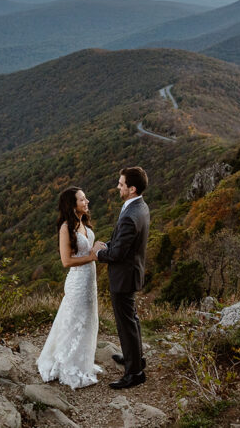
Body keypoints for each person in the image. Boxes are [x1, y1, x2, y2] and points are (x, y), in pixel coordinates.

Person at [37, 186, 103, 389]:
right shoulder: (66, 227)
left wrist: (98, 249)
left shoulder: (83, 223)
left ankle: (83, 362)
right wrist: (92, 256)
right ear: (72, 205)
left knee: (88, 320)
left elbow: (85, 251)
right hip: (77, 283)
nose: (87, 202)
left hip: (89, 282)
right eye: (82, 200)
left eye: (85, 198)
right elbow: (66, 261)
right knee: (75, 321)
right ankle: (69, 365)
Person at [93, 166, 150, 389]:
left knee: (126, 323)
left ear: (132, 189)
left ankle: (134, 373)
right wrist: (107, 244)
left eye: (121, 184)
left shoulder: (130, 215)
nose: (118, 186)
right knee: (131, 320)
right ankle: (134, 359)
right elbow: (123, 242)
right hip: (131, 271)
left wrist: (98, 253)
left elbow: (117, 254)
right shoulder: (139, 207)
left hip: (124, 276)